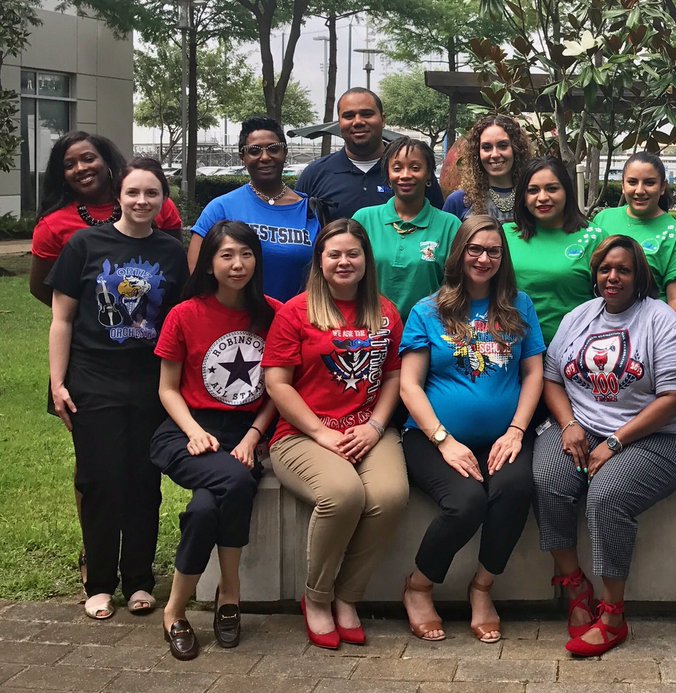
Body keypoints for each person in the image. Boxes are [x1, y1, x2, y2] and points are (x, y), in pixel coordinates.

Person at [533, 235, 676, 657]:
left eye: (623, 269)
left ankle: (612, 614)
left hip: (661, 436)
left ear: (639, 275)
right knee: (548, 478)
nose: (613, 277)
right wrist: (568, 423)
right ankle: (574, 586)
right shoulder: (580, 316)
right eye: (606, 269)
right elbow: (552, 377)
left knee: (606, 497)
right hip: (584, 425)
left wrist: (614, 441)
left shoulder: (663, 321)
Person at [46, 158, 188, 620]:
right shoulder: (85, 244)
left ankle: (141, 580)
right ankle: (101, 583)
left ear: (164, 199)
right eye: (133, 193)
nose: (142, 201)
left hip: (152, 385)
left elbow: (183, 322)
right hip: (94, 381)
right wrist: (57, 383)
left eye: (151, 193)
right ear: (119, 197)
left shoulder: (171, 251)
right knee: (101, 481)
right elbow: (62, 319)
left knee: (144, 483)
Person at [262, 219, 409, 649]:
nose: (344, 262)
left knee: (389, 496)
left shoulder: (384, 312)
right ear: (320, 262)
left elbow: (394, 377)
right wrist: (321, 433)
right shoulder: (295, 311)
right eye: (334, 255)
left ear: (366, 260)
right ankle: (318, 597)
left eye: (353, 254)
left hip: (368, 428)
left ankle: (348, 596)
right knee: (343, 495)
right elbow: (278, 384)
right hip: (301, 434)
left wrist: (376, 426)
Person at [398, 216, 544, 643]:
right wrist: (444, 441)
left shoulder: (520, 306)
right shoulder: (428, 310)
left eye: (493, 251)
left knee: (515, 489)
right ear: (459, 253)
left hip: (504, 437)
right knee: (466, 503)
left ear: (503, 257)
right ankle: (419, 586)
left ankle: (482, 588)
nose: (483, 258)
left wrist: (517, 430)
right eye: (474, 249)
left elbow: (534, 373)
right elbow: (409, 384)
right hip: (433, 439)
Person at [151, 221, 280, 660]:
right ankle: (231, 593)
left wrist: (253, 435)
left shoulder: (272, 315)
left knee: (206, 507)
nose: (237, 265)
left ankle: (174, 610)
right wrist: (194, 431)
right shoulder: (184, 314)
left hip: (243, 431)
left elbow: (279, 390)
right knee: (238, 482)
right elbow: (167, 389)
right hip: (185, 430)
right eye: (226, 255)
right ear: (209, 263)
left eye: (245, 255)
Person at [31, 131, 182, 306]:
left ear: (106, 161)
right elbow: (40, 288)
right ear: (62, 175)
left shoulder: (151, 205)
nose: (80, 168)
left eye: (88, 159)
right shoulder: (52, 225)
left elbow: (175, 269)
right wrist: (88, 314)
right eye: (69, 165)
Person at [190, 117, 319, 301]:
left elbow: (322, 277)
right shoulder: (221, 208)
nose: (265, 157)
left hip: (294, 322)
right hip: (235, 325)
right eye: (254, 151)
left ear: (285, 153)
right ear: (242, 157)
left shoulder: (310, 211)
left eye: (274, 149)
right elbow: (198, 275)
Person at [351, 136, 462, 321]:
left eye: (415, 167)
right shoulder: (363, 220)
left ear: (428, 175)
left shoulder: (450, 225)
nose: (405, 175)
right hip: (369, 330)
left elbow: (455, 287)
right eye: (397, 168)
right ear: (387, 175)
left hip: (427, 332)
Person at [295, 88, 444, 224]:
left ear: (383, 119)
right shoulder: (315, 174)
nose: (358, 121)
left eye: (367, 114)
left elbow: (437, 223)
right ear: (339, 123)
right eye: (349, 116)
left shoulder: (413, 175)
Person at [503, 156, 607, 344]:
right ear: (523, 198)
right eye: (533, 190)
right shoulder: (503, 236)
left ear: (567, 191)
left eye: (552, 188)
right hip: (513, 351)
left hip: (578, 352)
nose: (543, 197)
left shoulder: (595, 237)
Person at [592, 152, 676, 319]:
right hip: (603, 326)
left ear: (663, 187)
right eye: (632, 182)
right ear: (623, 186)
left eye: (649, 183)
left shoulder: (675, 234)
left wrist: (665, 338)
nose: (640, 190)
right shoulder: (603, 219)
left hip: (650, 329)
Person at [443, 115, 535, 223]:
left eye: (503, 145)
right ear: (477, 153)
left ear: (516, 149)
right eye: (487, 147)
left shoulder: (533, 196)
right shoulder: (459, 201)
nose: (495, 154)